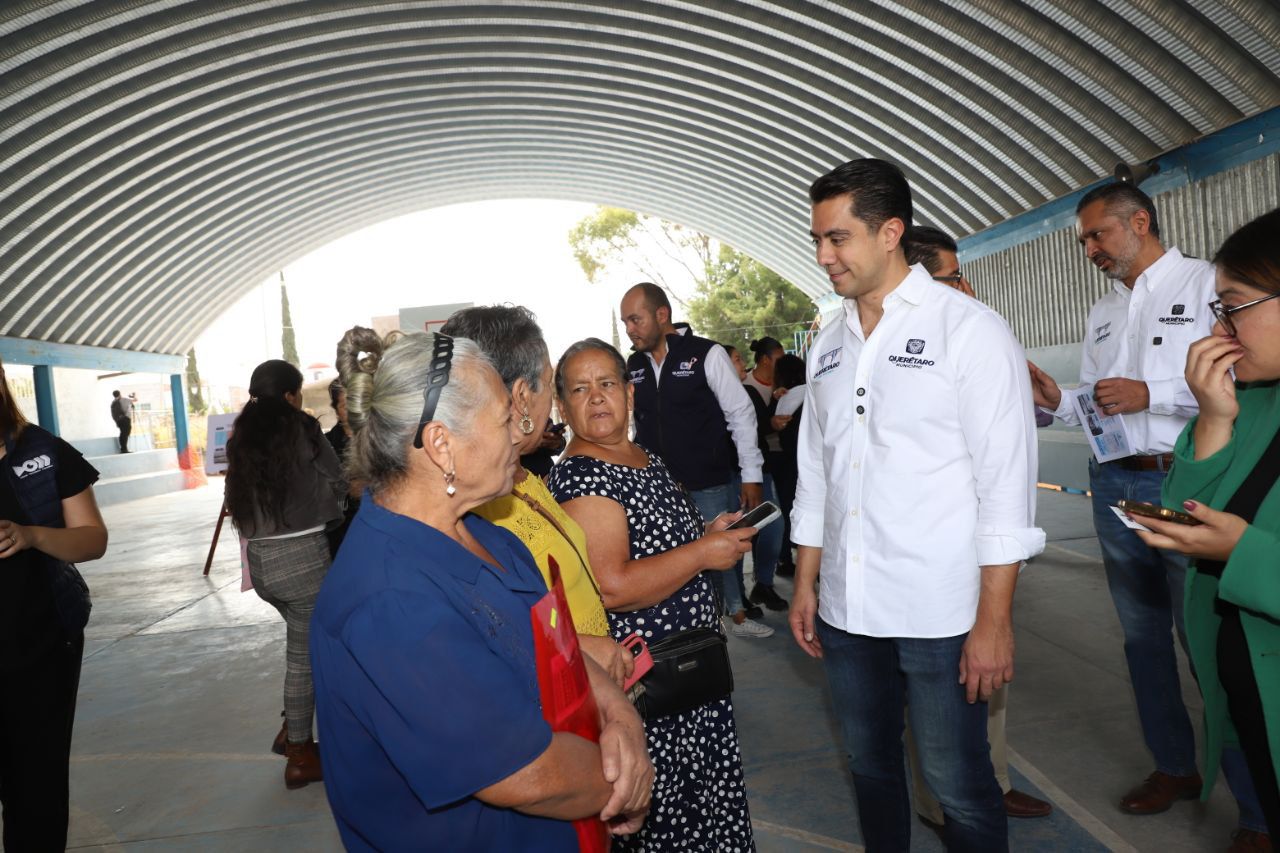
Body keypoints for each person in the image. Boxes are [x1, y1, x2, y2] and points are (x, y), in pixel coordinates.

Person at [311, 330, 652, 851]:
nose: (521, 432)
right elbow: (526, 775)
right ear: (441, 444)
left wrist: (622, 718)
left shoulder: (489, 533)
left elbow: (559, 649)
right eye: (502, 419)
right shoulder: (389, 602)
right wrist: (625, 782)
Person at [791, 158, 1044, 852]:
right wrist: (808, 580)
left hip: (941, 612)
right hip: (848, 608)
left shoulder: (969, 331)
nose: (823, 255)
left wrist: (993, 622)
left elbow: (1005, 492)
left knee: (957, 780)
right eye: (817, 238)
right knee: (871, 767)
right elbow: (818, 468)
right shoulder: (829, 344)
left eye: (837, 238)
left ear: (891, 232)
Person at [1027, 183, 1268, 841]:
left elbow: (1241, 386)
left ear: (1140, 220)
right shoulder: (1104, 311)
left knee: (1211, 643)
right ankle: (1174, 765)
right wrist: (1060, 398)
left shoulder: (1203, 285)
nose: (1090, 249)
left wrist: (1151, 394)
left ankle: (1256, 805)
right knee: (1142, 640)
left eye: (1098, 234)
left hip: (1190, 484)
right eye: (1082, 239)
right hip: (1117, 485)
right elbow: (1105, 402)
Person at [548, 338, 759, 852]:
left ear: (630, 393)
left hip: (690, 676)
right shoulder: (586, 476)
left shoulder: (640, 456)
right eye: (580, 389)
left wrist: (708, 534)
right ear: (561, 406)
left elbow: (654, 547)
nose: (597, 398)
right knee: (674, 823)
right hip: (653, 690)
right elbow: (613, 586)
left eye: (607, 384)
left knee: (706, 810)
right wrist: (702, 555)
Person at [1132, 208, 1280, 845]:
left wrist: (1242, 552)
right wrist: (1215, 417)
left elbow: (1231, 538)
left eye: (1235, 305)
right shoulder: (1253, 399)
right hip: (1243, 676)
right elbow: (1186, 505)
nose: (1219, 326)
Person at [903, 224, 1053, 822]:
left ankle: (989, 777)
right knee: (938, 689)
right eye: (951, 276)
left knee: (984, 677)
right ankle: (946, 802)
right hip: (933, 557)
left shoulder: (975, 333)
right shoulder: (892, 348)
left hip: (985, 548)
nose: (964, 287)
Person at [439, 306, 627, 681]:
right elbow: (487, 634)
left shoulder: (518, 475)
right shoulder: (476, 498)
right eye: (549, 380)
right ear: (523, 396)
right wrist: (582, 649)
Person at [620, 283, 772, 639]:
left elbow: (740, 413)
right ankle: (690, 634)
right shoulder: (634, 364)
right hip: (659, 489)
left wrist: (751, 474)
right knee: (671, 562)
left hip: (707, 483)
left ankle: (734, 617)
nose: (629, 329)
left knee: (720, 556)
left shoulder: (706, 354)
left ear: (662, 315)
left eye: (635, 319)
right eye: (625, 321)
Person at [0, 357, 108, 852]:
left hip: (41, 647)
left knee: (36, 793)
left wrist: (32, 535)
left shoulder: (41, 451)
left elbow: (92, 539)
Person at [224, 359, 344, 789]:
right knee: (304, 661)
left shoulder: (242, 436)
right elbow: (336, 476)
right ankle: (299, 754)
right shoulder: (304, 428)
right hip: (303, 561)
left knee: (305, 645)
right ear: (292, 395)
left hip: (260, 563)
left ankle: (290, 728)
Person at [741, 337, 789, 611]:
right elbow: (747, 428)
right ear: (765, 359)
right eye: (778, 358)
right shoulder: (744, 387)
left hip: (776, 462)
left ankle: (764, 583)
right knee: (766, 525)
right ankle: (748, 595)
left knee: (775, 522)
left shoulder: (780, 384)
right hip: (753, 468)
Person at [770, 352, 806, 579]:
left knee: (787, 511)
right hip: (812, 464)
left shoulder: (787, 397)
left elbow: (778, 432)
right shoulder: (814, 390)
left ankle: (786, 559)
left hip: (787, 464)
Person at [324, 378, 359, 555]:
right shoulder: (327, 445)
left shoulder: (380, 440)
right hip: (342, 531)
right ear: (337, 411)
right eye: (346, 405)